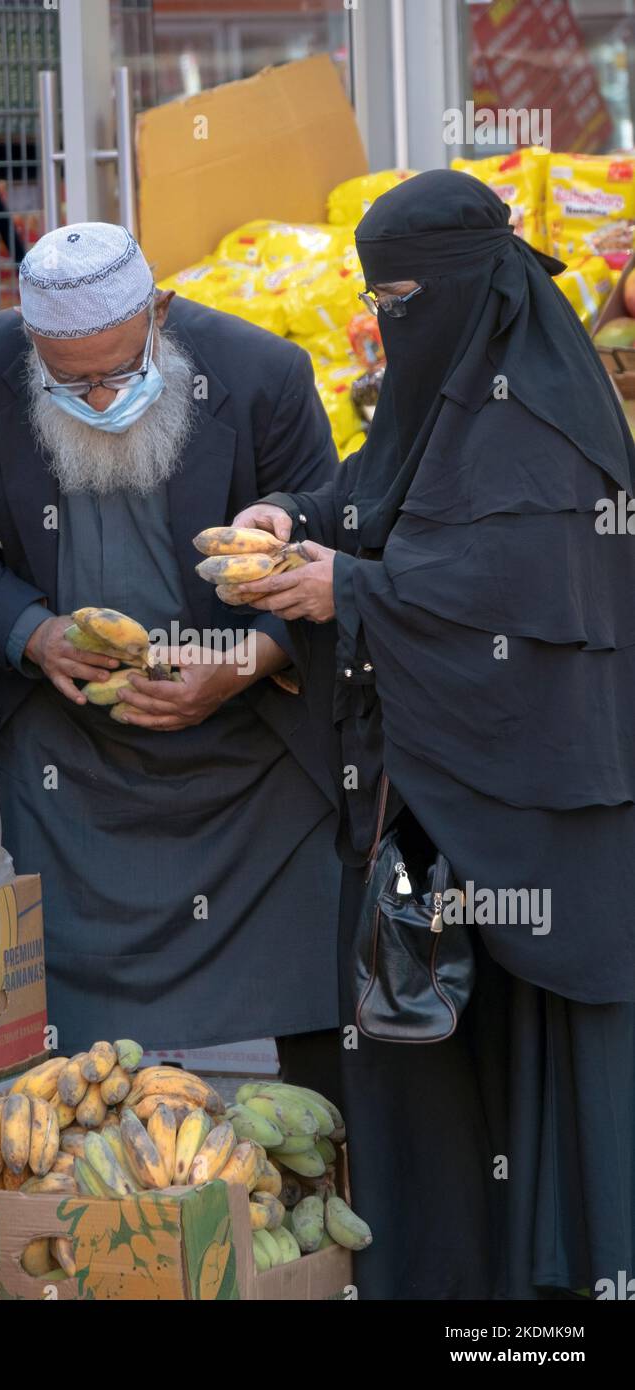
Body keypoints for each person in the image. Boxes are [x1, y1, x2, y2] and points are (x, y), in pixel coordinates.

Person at [232, 169, 635, 1300]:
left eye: (404, 294)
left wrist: (349, 594)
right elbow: (384, 493)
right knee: (438, 1083)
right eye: (376, 297)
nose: (387, 319)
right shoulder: (451, 379)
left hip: (532, 817)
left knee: (517, 1068)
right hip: (443, 808)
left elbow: (508, 583)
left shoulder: (541, 419)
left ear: (463, 287)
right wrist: (295, 522)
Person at [0, 221, 342, 1085]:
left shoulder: (264, 373)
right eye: (68, 381)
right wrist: (35, 634)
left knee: (302, 983)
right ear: (31, 343)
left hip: (243, 744)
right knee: (64, 1044)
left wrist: (243, 665)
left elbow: (331, 563)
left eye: (118, 373)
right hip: (68, 746)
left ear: (160, 312)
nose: (100, 399)